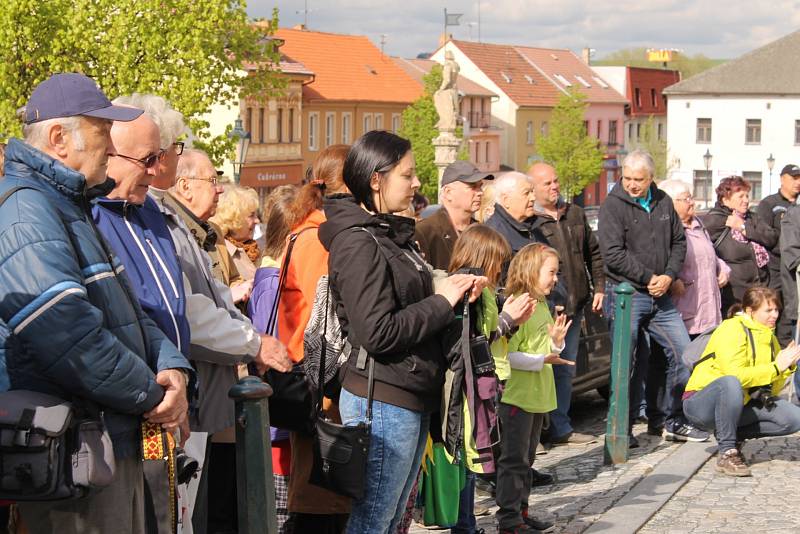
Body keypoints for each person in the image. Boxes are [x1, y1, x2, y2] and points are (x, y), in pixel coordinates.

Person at [0, 73, 193, 533]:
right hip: (68, 455)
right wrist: (154, 396)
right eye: (101, 131)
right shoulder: (28, 212)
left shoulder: (70, 205)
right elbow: (71, 338)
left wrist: (172, 366)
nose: (110, 144)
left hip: (100, 441)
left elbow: (129, 310)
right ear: (58, 138)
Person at [318, 131, 486, 533]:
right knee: (374, 520)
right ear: (376, 180)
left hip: (406, 392)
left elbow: (411, 298)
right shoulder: (358, 242)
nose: (416, 184)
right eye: (407, 175)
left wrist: (457, 288)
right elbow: (378, 332)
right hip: (382, 398)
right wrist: (442, 301)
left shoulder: (389, 234)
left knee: (393, 519)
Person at [598, 149, 707, 446]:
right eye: (628, 178)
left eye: (639, 179)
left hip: (661, 295)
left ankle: (670, 419)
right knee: (628, 360)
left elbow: (677, 241)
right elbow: (613, 254)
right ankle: (623, 425)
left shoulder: (662, 201)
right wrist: (649, 278)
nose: (632, 184)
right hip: (628, 292)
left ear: (651, 178)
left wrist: (669, 275)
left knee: (684, 354)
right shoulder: (612, 206)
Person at [278, 144, 353, 532]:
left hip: (321, 385)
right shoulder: (316, 238)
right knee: (320, 502)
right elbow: (318, 323)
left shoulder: (314, 233)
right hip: (319, 388)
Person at [445, 225, 535, 534]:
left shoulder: (483, 293)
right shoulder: (466, 292)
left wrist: (511, 323)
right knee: (464, 458)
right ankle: (463, 526)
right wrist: (507, 320)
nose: (501, 269)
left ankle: (467, 523)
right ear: (483, 259)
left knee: (473, 460)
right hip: (466, 390)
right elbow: (472, 342)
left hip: (485, 384)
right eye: (498, 261)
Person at [495, 243, 572, 534]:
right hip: (517, 396)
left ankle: (521, 513)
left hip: (537, 395)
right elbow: (506, 353)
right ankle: (509, 521)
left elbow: (546, 348)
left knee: (526, 460)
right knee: (514, 461)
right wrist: (543, 358)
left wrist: (557, 342)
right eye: (551, 272)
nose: (556, 278)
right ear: (531, 270)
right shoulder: (518, 304)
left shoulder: (541, 305)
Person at [683, 287, 800, 476]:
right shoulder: (732, 328)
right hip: (700, 404)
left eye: (776, 310)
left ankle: (731, 434)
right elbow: (735, 375)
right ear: (750, 311)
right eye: (768, 311)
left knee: (794, 418)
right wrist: (777, 367)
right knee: (730, 382)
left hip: (738, 404)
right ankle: (727, 452)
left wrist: (788, 367)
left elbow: (771, 388)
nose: (775, 315)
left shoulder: (769, 337)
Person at [528, 162, 604, 445]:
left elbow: (593, 253)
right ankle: (537, 431)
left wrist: (600, 288)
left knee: (564, 367)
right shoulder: (532, 221)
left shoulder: (574, 213)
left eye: (555, 181)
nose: (554, 187)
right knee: (538, 366)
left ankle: (560, 426)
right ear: (533, 188)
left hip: (574, 305)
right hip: (545, 307)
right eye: (546, 183)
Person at [658, 180, 731, 336]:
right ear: (671, 203)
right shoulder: (667, 229)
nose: (692, 203)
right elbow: (660, 260)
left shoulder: (698, 224)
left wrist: (722, 269)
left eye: (691, 197)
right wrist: (673, 279)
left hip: (710, 310)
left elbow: (710, 254)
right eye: (686, 199)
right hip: (686, 310)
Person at [703, 176, 778, 315]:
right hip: (732, 294)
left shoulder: (751, 218)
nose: (746, 200)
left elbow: (771, 238)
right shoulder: (715, 220)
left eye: (747, 195)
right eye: (740, 196)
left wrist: (743, 227)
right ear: (725, 199)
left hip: (759, 290)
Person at [415, 160, 493, 269]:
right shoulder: (425, 231)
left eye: (480, 186)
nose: (480, 192)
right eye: (473, 186)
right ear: (448, 192)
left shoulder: (483, 232)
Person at [757, 164, 800, 295]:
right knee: (775, 304)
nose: (798, 182)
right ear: (782, 179)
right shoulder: (769, 203)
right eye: (794, 178)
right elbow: (763, 234)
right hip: (775, 267)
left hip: (797, 265)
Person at [210, 184, 262, 283]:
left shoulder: (254, 249)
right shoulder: (220, 252)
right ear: (233, 218)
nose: (257, 220)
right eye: (251, 216)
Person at [484, 171, 542, 254]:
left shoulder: (536, 226)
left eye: (532, 192)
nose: (533, 198)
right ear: (506, 200)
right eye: (526, 193)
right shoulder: (492, 235)